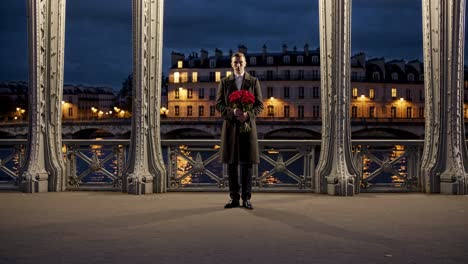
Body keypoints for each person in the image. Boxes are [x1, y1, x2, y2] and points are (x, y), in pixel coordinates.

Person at [216, 52, 264, 210]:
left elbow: (259, 105)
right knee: (231, 164)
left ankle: (247, 198)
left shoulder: (254, 81)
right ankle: (234, 198)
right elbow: (219, 105)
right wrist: (232, 112)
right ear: (231, 64)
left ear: (245, 63)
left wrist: (247, 115)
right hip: (230, 128)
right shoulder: (224, 83)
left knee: (247, 165)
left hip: (247, 128)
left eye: (240, 62)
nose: (238, 65)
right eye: (235, 62)